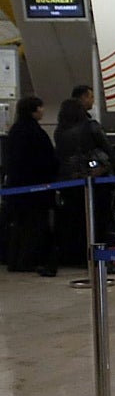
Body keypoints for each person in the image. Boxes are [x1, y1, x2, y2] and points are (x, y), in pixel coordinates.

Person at [54, 97, 115, 265]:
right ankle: (98, 255)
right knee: (98, 218)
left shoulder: (60, 131)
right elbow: (107, 149)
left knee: (75, 220)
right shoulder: (91, 126)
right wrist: (114, 168)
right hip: (96, 177)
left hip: (71, 180)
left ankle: (76, 255)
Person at [3, 96, 58, 276]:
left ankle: (16, 259)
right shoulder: (35, 132)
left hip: (17, 186)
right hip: (35, 187)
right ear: (34, 110)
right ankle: (28, 259)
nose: (43, 111)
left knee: (19, 225)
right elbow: (47, 159)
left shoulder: (15, 131)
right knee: (34, 225)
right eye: (41, 108)